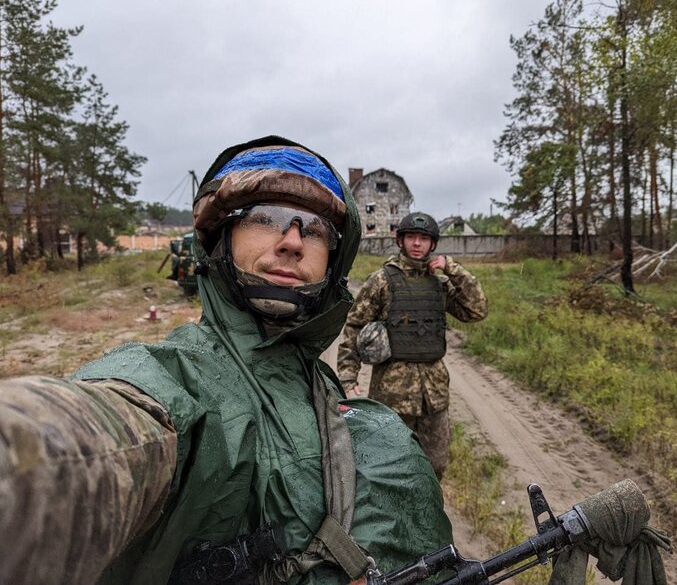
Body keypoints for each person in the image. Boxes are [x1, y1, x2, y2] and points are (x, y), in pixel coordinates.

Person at [0, 136, 452, 584]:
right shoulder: (175, 379)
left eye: (314, 229)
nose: (293, 241)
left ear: (333, 259)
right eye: (264, 218)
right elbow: (82, 444)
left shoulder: (318, 384)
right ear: (221, 239)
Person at [337, 212, 488, 480]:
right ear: (401, 240)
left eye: (423, 238)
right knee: (389, 468)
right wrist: (348, 376)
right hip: (391, 395)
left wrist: (452, 268)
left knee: (435, 467)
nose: (417, 243)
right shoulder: (382, 280)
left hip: (434, 394)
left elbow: (476, 310)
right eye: (411, 237)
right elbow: (354, 326)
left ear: (433, 244)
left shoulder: (440, 284)